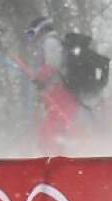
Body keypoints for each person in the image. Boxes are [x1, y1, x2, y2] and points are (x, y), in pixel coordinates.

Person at [19, 16, 82, 154]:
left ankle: (54, 159)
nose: (32, 39)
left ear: (40, 29)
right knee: (53, 128)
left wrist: (40, 78)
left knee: (52, 130)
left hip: (62, 93)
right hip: (59, 93)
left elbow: (53, 64)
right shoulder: (49, 42)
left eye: (31, 33)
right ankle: (54, 157)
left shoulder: (50, 41)